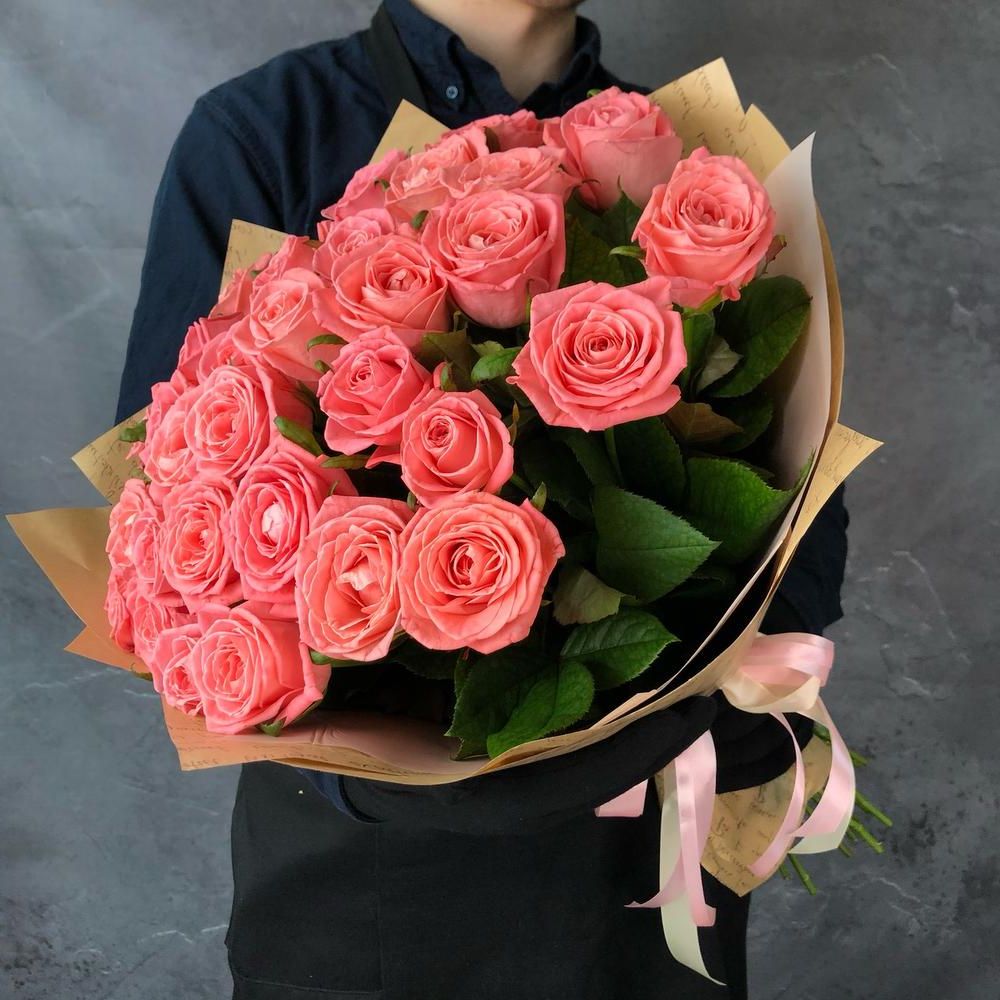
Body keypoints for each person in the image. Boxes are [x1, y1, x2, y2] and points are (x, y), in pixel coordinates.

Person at [114, 2, 849, 998]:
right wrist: (381, 760)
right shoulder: (266, 130)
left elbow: (802, 506)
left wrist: (727, 692)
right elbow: (164, 538)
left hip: (639, 881)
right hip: (365, 899)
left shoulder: (679, 155)